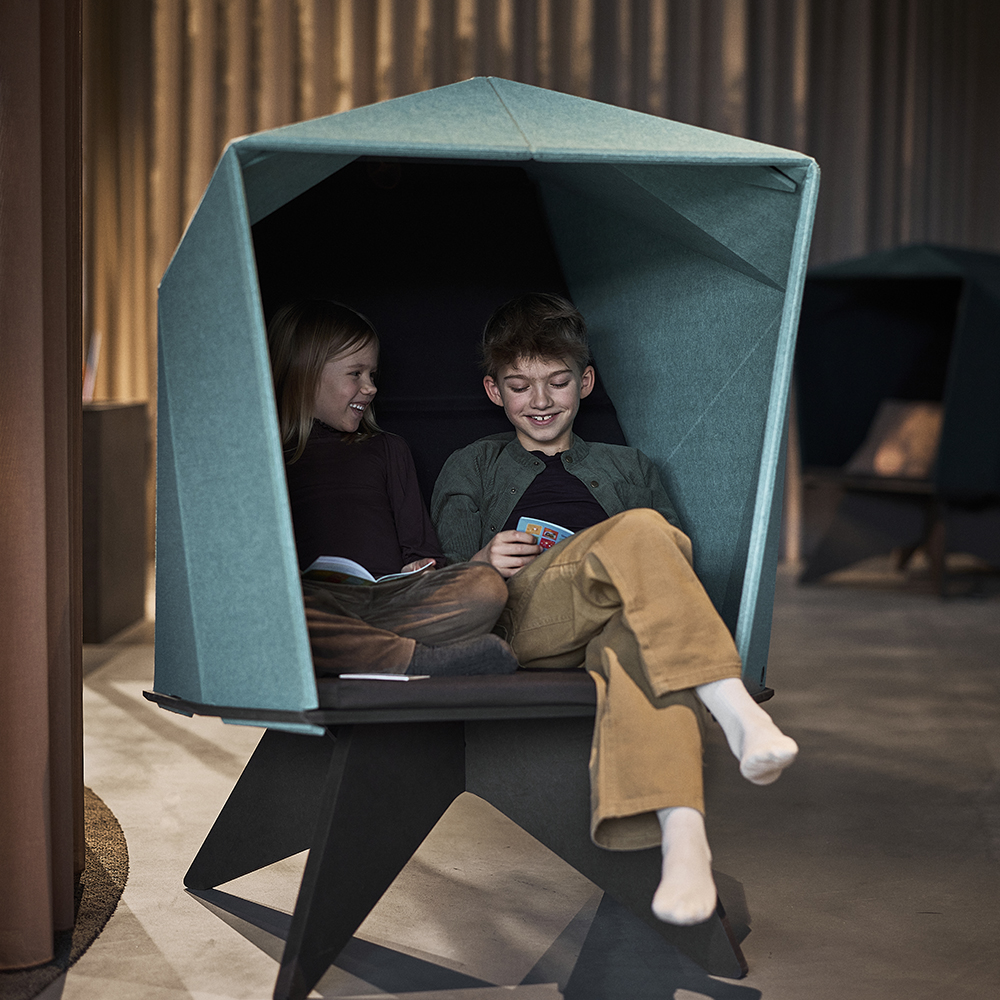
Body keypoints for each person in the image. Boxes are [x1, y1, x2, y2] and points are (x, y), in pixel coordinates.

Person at [431, 292, 798, 925]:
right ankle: (730, 701)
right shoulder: (473, 464)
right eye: (520, 386)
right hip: (526, 617)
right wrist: (485, 557)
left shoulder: (628, 465)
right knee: (640, 529)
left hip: (619, 614)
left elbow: (676, 564)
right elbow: (448, 571)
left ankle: (685, 841)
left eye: (558, 382)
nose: (540, 400)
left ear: (585, 383)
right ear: (495, 391)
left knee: (640, 621)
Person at [267, 298, 517, 677]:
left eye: (373, 374)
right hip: (315, 601)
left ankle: (357, 649)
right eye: (356, 374)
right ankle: (413, 659)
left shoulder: (388, 449)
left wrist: (421, 566)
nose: (370, 388)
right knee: (275, 609)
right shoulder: (269, 457)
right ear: (305, 374)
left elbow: (422, 550)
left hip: (390, 599)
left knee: (485, 586)